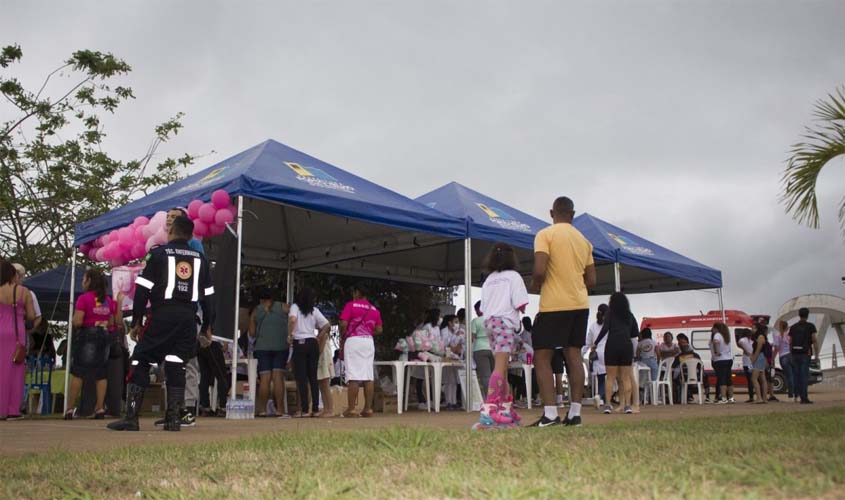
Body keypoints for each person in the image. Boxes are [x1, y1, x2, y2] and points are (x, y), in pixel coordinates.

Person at [108, 216, 215, 431]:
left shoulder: (157, 254)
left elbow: (142, 290)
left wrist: (137, 320)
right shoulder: (201, 260)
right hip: (187, 319)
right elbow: (209, 297)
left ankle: (131, 417)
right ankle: (174, 418)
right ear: (191, 235)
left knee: (140, 361)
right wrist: (206, 327)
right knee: (177, 365)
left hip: (162, 315)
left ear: (171, 232)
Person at [530, 196, 596, 428]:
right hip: (580, 303)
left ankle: (550, 414)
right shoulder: (584, 241)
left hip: (554, 304)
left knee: (542, 356)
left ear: (551, 213)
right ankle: (575, 414)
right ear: (573, 214)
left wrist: (536, 285)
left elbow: (539, 270)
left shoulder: (545, 234)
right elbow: (592, 280)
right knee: (574, 355)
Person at [475, 243, 529, 430]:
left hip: (489, 323)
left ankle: (505, 407)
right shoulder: (513, 277)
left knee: (503, 367)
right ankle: (489, 409)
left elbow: (483, 307)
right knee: (500, 367)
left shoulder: (489, 279)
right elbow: (521, 303)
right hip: (505, 323)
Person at [64, 269, 118, 420]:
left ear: (89, 281)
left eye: (84, 279)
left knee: (78, 372)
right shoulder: (107, 300)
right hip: (104, 334)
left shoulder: (84, 299)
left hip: (87, 334)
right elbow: (113, 322)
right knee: (101, 374)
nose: (82, 282)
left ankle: (69, 409)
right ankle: (100, 408)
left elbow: (77, 321)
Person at [339, 284, 383, 418]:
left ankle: (351, 409)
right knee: (368, 375)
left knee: (353, 375)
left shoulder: (351, 305)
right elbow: (380, 329)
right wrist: (368, 331)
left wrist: (343, 336)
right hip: (368, 341)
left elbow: (343, 323)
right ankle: (367, 409)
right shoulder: (374, 309)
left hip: (354, 340)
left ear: (357, 292)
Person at [0, 259, 36, 420]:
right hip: (16, 332)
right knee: (16, 370)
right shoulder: (24, 291)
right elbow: (32, 316)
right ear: (13, 274)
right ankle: (12, 410)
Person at [591, 292, 638, 414]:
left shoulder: (610, 314)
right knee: (626, 377)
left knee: (610, 377)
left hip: (612, 345)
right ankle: (627, 405)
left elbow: (605, 329)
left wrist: (595, 343)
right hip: (626, 346)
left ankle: (607, 405)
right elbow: (634, 333)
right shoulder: (629, 315)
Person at [288, 287, 330, 417]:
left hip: (299, 343)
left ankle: (304, 409)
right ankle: (316, 409)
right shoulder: (314, 310)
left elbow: (293, 320)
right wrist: (319, 336)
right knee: (313, 377)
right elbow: (327, 325)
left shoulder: (295, 307)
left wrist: (289, 334)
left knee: (301, 378)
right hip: (312, 343)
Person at [248, 286, 290, 417]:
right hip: (281, 347)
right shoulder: (284, 307)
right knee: (278, 378)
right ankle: (280, 409)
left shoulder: (256, 310)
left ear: (261, 298)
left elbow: (252, 332)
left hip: (262, 347)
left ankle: (262, 409)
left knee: (265, 378)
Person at [788, 308, 819, 405]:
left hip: (795, 353)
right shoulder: (810, 326)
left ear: (799, 315)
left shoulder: (793, 327)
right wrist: (816, 353)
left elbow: (790, 342)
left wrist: (791, 353)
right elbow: (814, 340)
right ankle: (804, 398)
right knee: (804, 376)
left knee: (796, 376)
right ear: (807, 315)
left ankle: (795, 395)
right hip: (805, 354)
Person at [584, 304, 608, 408]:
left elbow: (588, 342)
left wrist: (581, 354)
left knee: (601, 379)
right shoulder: (609, 325)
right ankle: (601, 396)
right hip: (608, 353)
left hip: (597, 354)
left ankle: (601, 396)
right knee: (612, 378)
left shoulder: (593, 326)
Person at [471, 301, 494, 400]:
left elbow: (472, 337)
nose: (475, 312)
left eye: (476, 309)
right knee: (495, 375)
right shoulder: (493, 320)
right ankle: (497, 398)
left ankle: (488, 399)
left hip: (479, 348)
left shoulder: (475, 321)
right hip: (493, 348)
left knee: (485, 376)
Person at [671, 334, 703, 404]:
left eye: (683, 343)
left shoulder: (681, 356)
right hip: (692, 378)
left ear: (687, 343)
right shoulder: (694, 355)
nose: (682, 345)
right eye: (680, 343)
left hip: (688, 378)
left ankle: (686, 396)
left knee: (676, 378)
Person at [440, 314, 462, 410]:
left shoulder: (454, 332)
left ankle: (453, 401)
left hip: (454, 356)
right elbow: (445, 343)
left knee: (454, 380)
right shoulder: (444, 331)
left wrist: (456, 336)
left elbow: (455, 344)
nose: (457, 324)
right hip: (446, 356)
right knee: (449, 380)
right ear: (449, 323)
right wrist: (454, 337)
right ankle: (448, 401)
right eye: (455, 322)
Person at [710, 322, 735, 404]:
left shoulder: (717, 335)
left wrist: (717, 351)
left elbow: (716, 342)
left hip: (720, 360)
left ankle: (723, 398)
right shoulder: (725, 336)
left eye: (713, 328)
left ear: (716, 328)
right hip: (728, 359)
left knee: (722, 379)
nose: (712, 330)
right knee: (728, 379)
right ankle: (731, 397)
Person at [773, 320, 795, 402]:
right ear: (787, 327)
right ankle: (796, 394)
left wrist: (772, 359)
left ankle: (790, 396)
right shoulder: (790, 336)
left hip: (783, 356)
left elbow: (776, 349)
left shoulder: (778, 336)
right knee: (793, 375)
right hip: (791, 356)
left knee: (788, 376)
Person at [750, 325, 769, 404]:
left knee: (754, 378)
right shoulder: (758, 337)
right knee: (762, 377)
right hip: (761, 357)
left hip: (759, 357)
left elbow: (758, 349)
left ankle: (759, 398)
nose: (752, 329)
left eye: (754, 328)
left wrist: (754, 358)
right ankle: (764, 398)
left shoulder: (760, 337)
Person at [736, 328, 755, 402]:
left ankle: (751, 396)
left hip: (746, 362)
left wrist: (745, 350)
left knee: (749, 380)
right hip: (753, 361)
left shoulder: (743, 340)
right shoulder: (752, 341)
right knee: (754, 379)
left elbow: (739, 343)